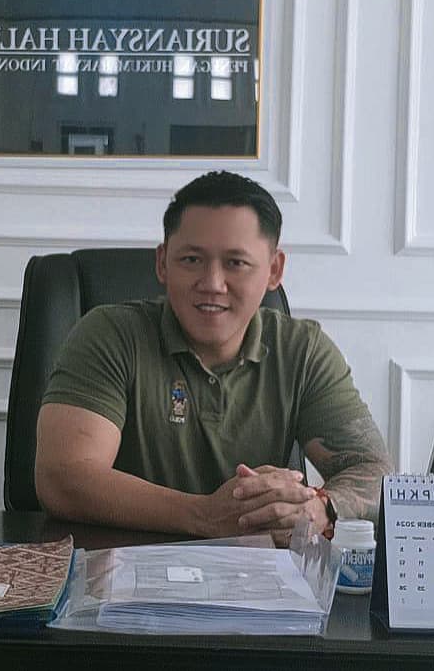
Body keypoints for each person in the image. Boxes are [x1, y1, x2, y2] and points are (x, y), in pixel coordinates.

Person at [35, 170, 392, 543]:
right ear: (162, 263)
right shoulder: (109, 334)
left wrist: (320, 508)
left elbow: (374, 471)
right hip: (121, 564)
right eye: (191, 259)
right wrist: (204, 515)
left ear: (274, 270)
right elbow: (63, 478)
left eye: (236, 263)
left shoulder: (303, 350)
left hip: (259, 573)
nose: (212, 283)